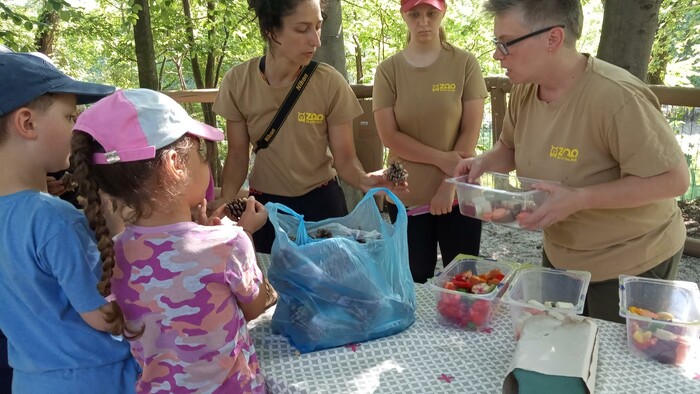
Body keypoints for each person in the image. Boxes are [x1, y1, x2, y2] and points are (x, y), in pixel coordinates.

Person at [456, 0, 689, 323]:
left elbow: (674, 180)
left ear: (552, 38)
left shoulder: (616, 96)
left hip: (633, 261)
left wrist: (579, 199)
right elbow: (509, 147)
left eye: (506, 43)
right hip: (562, 255)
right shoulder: (525, 91)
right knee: (562, 346)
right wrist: (483, 162)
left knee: (614, 364)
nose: (497, 54)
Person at [71, 88, 269, 393]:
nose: (206, 164)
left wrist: (200, 229)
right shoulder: (229, 243)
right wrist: (248, 233)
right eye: (201, 154)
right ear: (176, 163)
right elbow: (255, 308)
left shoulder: (114, 252)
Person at [213, 0, 406, 254]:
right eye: (302, 29)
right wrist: (226, 203)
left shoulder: (329, 83)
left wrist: (363, 180)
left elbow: (345, 158)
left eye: (318, 27)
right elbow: (237, 154)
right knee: (272, 287)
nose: (316, 41)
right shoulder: (238, 81)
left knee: (330, 287)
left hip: (322, 204)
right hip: (265, 209)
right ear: (272, 30)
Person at [0, 52, 138, 393]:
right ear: (27, 123)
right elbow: (105, 318)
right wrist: (118, 229)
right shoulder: (54, 219)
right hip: (95, 379)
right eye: (70, 116)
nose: (78, 127)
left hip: (30, 379)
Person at [373, 0, 487, 283]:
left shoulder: (464, 63)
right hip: (406, 195)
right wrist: (441, 158)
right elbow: (390, 136)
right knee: (413, 282)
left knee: (463, 283)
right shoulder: (388, 70)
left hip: (460, 195)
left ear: (443, 12)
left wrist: (449, 184)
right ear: (403, 15)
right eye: (415, 14)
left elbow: (470, 132)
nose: (423, 21)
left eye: (431, 13)